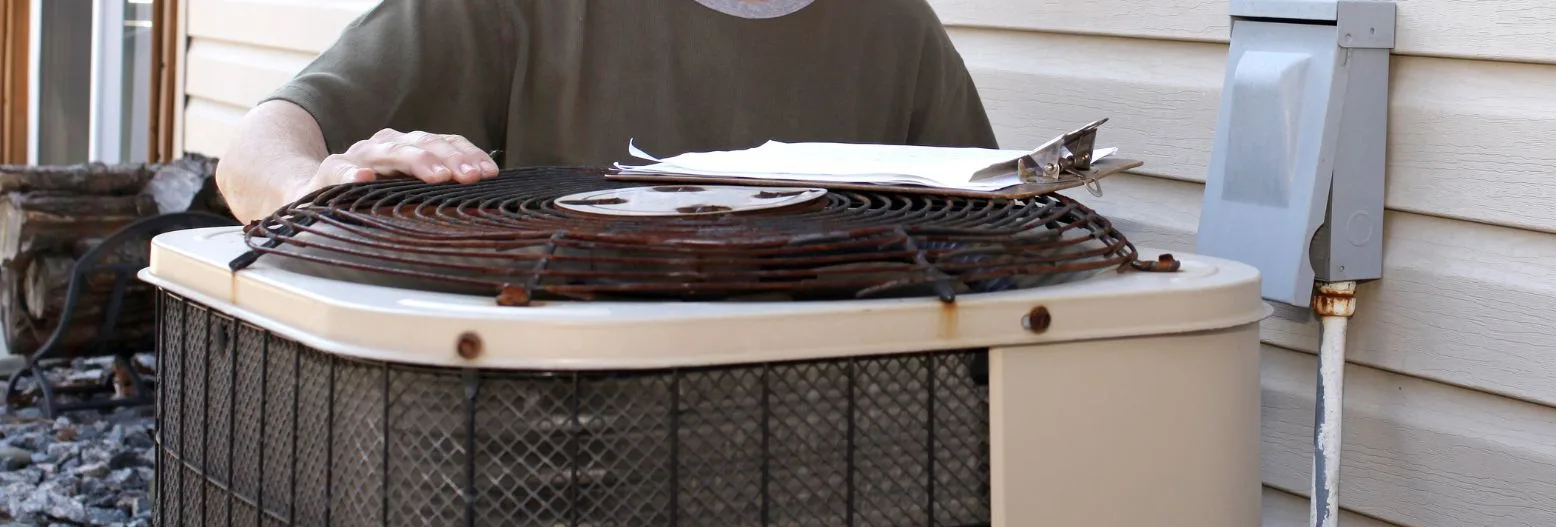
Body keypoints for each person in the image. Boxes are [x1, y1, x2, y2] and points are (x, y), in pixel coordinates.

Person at [216, 0, 999, 222]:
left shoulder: (898, 27)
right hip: (561, 471)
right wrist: (307, 189)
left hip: (831, 473)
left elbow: (996, 234)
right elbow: (255, 151)